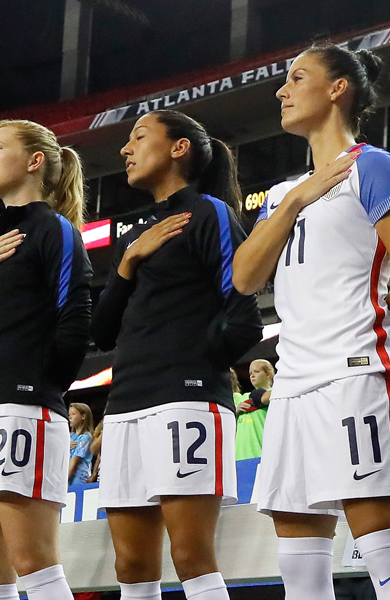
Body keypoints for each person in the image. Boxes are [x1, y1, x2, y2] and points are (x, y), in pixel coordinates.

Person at [233, 41, 390, 600]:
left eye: (297, 78)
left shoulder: (374, 166)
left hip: (355, 377)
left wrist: (376, 324)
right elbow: (245, 278)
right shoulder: (282, 194)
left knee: (385, 561)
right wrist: (296, 201)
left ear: (338, 88)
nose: (282, 90)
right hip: (293, 387)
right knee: (299, 572)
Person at [90, 109, 262, 600]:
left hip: (187, 402)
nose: (125, 149)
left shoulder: (209, 213)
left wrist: (193, 363)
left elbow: (244, 316)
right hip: (125, 406)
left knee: (191, 558)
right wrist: (126, 262)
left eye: (139, 136)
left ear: (178, 148)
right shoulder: (133, 237)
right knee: (131, 566)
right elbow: (102, 332)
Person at [0, 119, 93, 600]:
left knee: (33, 562)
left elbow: (75, 322)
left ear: (34, 161)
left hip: (21, 409)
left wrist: (38, 387)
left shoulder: (55, 229)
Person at [235, 359, 275, 461]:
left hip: (262, 453)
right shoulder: (243, 397)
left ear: (268, 374)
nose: (252, 375)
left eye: (256, 372)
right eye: (250, 373)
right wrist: (236, 410)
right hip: (240, 455)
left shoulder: (275, 395)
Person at [67, 403, 95, 487]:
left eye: (73, 414)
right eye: (69, 415)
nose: (70, 417)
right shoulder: (70, 436)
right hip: (67, 476)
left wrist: (63, 482)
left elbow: (75, 462)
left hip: (78, 479)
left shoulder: (86, 438)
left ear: (83, 416)